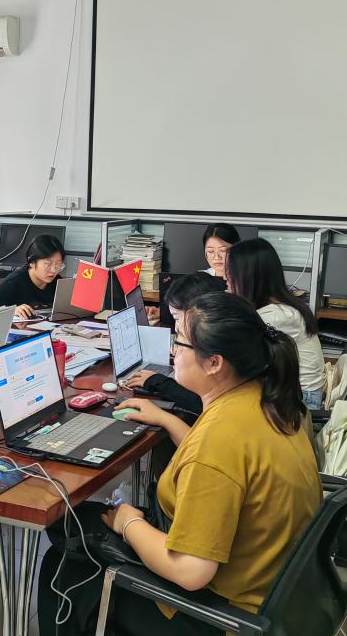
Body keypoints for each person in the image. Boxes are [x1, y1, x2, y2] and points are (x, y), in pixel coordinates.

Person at [37, 292, 321, 636]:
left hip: (219, 615)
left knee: (66, 560)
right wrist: (166, 420)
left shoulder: (219, 440)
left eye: (180, 341)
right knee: (79, 523)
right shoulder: (265, 399)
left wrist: (129, 523)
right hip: (272, 590)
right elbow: (225, 471)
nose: (173, 351)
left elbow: (191, 571)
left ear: (214, 362)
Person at [225, 238, 327, 410]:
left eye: (230, 272)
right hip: (295, 391)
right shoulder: (282, 305)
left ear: (248, 277)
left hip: (303, 401)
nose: (225, 277)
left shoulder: (277, 316)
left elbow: (237, 353)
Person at [127, 272, 226, 414]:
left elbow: (202, 403)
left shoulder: (216, 346)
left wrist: (160, 384)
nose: (176, 327)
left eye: (177, 318)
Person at [0, 234, 65, 319]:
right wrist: (12, 311)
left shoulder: (58, 281)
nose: (53, 270)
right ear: (31, 262)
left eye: (58, 264)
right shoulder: (14, 282)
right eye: (48, 264)